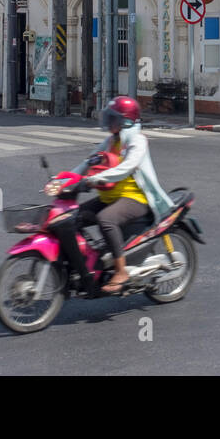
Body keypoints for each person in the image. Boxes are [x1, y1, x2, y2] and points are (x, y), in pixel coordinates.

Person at [51, 96, 174, 294]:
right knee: (71, 218)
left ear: (126, 121)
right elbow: (87, 163)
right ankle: (86, 264)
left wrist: (94, 179)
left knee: (105, 219)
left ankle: (120, 271)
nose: (109, 123)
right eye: (108, 117)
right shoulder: (110, 141)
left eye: (113, 119)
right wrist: (63, 181)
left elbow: (127, 167)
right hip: (111, 197)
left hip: (136, 198)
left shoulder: (137, 140)